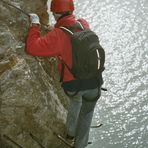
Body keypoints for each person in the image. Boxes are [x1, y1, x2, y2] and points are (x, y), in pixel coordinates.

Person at [26, 0, 104, 148]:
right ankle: (80, 145)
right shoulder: (83, 24)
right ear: (71, 9)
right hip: (95, 82)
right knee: (87, 113)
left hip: (73, 85)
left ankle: (70, 133)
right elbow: (72, 32)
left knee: (75, 100)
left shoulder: (58, 35)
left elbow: (32, 48)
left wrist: (35, 25)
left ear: (55, 13)